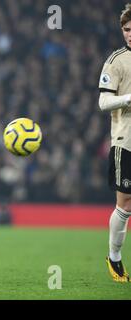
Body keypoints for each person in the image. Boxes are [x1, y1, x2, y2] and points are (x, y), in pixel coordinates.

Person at [99, 3, 131, 282]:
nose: (129, 34)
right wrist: (128, 98)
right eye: (126, 29)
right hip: (126, 141)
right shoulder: (116, 61)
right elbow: (103, 101)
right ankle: (115, 257)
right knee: (126, 203)